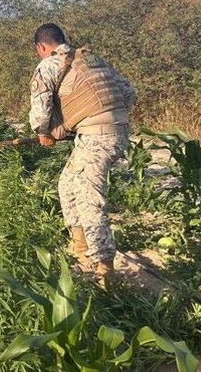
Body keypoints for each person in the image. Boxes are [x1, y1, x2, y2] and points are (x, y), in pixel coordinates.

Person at [28, 23, 136, 287]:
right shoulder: (91, 58)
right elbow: (129, 93)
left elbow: (41, 110)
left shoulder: (49, 64)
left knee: (89, 198)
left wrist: (44, 132)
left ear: (41, 47)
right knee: (67, 183)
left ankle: (104, 271)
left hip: (98, 136)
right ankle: (79, 247)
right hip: (116, 131)